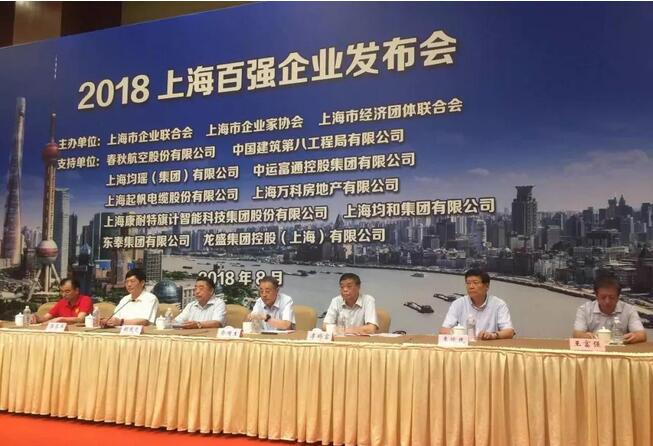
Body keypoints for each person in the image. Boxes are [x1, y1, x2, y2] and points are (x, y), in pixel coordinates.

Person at [440, 268, 515, 340]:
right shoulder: (457, 304)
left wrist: (493, 335)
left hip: (488, 346)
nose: (471, 287)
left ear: (487, 286)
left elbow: (509, 332)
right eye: (468, 283)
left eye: (475, 283)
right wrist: (460, 335)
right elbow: (444, 330)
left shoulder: (499, 304)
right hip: (465, 346)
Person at [573, 273, 647, 344]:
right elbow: (577, 334)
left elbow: (641, 334)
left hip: (620, 349)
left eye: (612, 297)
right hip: (595, 349)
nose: (607, 301)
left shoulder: (629, 310)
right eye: (603, 297)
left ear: (618, 297)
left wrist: (635, 336)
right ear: (596, 296)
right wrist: (585, 336)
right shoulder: (584, 310)